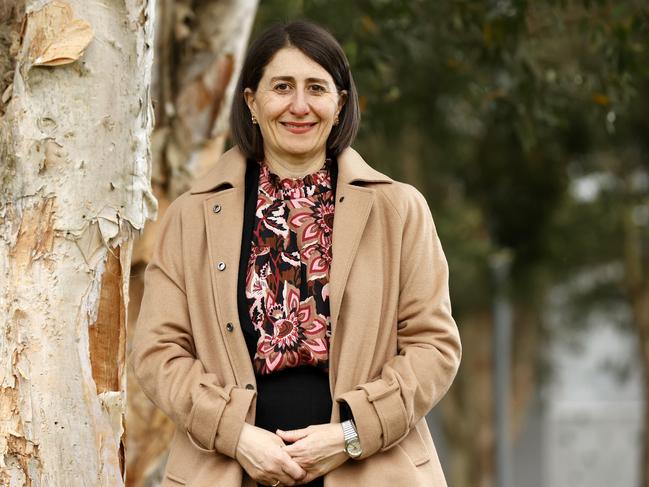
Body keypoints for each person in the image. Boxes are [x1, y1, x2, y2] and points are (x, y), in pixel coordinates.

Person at [130, 20, 461, 487]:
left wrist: (349, 436)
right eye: (282, 87)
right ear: (251, 101)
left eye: (317, 88)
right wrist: (237, 436)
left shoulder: (399, 209)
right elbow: (158, 353)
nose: (299, 106)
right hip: (231, 468)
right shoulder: (191, 216)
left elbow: (434, 348)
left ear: (340, 103)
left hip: (371, 468)